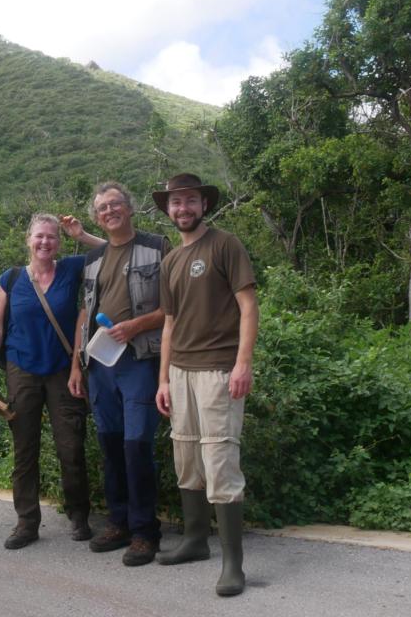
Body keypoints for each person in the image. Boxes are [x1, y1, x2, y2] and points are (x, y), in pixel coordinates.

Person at [154, 173, 258, 597]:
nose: (183, 208)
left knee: (220, 460)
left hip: (218, 370)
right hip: (180, 373)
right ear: (168, 209)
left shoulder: (224, 244)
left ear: (204, 205)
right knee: (187, 457)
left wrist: (242, 364)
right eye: (176, 202)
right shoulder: (170, 262)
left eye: (190, 201)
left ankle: (233, 564)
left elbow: (248, 306)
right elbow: (169, 323)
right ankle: (195, 540)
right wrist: (163, 378)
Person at [0, 213, 100, 549]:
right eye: (39, 236)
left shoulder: (72, 269)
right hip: (22, 369)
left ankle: (79, 514)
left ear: (59, 242)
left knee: (71, 446)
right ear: (28, 240)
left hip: (63, 369)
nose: (45, 242)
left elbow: (114, 249)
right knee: (25, 448)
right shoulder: (12, 278)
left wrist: (82, 234)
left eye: (51, 236)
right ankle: (26, 522)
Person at [68, 181, 169, 567]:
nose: (109, 211)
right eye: (102, 208)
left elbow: (173, 307)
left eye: (115, 204)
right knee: (110, 446)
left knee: (136, 445)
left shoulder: (156, 247)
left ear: (129, 208)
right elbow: (84, 312)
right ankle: (119, 522)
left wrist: (136, 326)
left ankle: (145, 531)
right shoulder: (93, 259)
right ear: (97, 218)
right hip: (100, 365)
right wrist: (77, 363)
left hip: (140, 359)